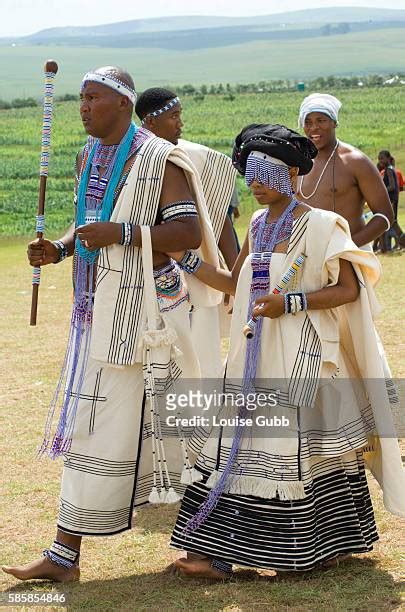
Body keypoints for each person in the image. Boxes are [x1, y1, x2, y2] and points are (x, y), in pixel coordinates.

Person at [2, 66, 221, 582]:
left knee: (187, 431)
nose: (83, 107)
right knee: (93, 429)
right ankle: (64, 555)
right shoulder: (87, 157)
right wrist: (59, 247)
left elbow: (186, 232)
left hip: (152, 319)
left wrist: (120, 232)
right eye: (80, 98)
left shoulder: (159, 159)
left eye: (93, 98)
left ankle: (206, 549)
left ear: (123, 103)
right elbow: (89, 225)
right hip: (99, 312)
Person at [166, 124, 405, 579]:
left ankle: (319, 547)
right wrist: (188, 260)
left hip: (304, 355)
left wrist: (290, 303)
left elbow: (350, 290)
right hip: (254, 353)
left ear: (292, 172)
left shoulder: (322, 226)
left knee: (300, 447)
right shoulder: (257, 224)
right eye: (249, 173)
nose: (254, 183)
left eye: (264, 172)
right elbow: (234, 284)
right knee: (244, 446)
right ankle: (219, 552)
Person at [135, 87, 239, 377]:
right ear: (150, 121)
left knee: (201, 362)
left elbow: (218, 218)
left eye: (180, 116)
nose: (180, 123)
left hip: (194, 274)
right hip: (142, 277)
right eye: (174, 117)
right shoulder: (129, 160)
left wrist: (233, 278)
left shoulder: (193, 156)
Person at [296, 93, 394, 249]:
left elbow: (384, 216)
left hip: (351, 255)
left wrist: (345, 247)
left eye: (321, 120)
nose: (314, 127)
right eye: (308, 122)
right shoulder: (297, 162)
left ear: (334, 122)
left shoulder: (355, 161)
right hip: (307, 257)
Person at [377, 151, 402, 251]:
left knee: (393, 222)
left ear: (388, 158)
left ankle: (401, 243)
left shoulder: (389, 170)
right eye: (379, 159)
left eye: (382, 158)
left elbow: (392, 186)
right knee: (393, 223)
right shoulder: (389, 169)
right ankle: (385, 247)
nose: (380, 161)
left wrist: (382, 191)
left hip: (392, 199)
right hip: (392, 199)